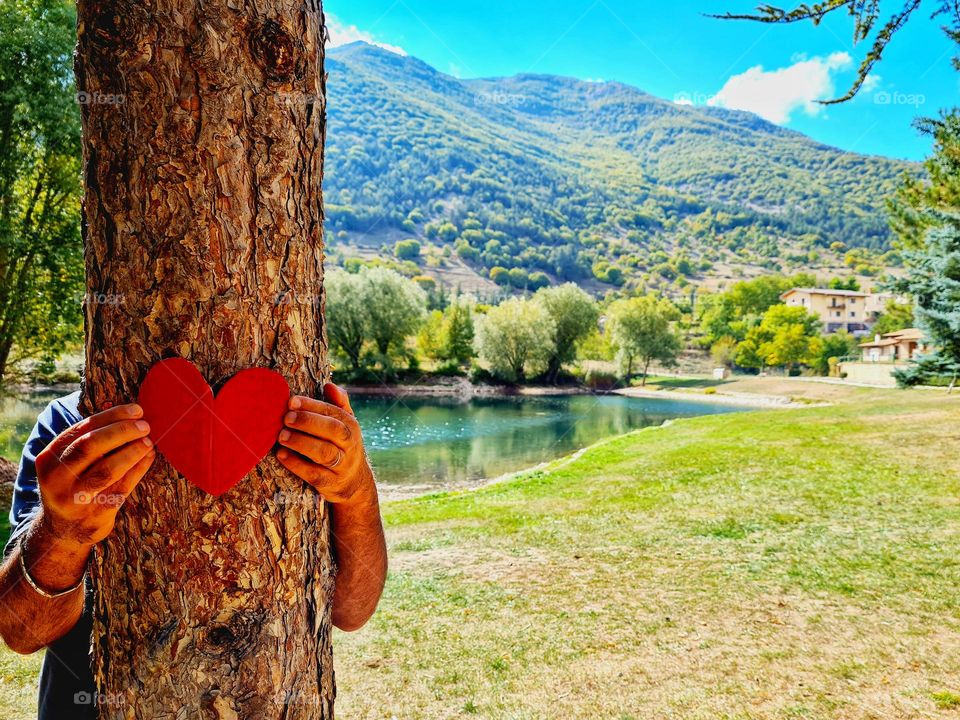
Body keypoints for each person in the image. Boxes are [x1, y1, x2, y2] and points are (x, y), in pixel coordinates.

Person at [0, 383, 387, 719]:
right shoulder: (71, 428)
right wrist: (61, 534)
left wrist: (355, 491)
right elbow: (23, 633)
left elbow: (352, 611)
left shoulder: (305, 420)